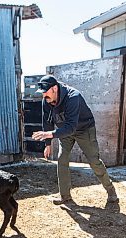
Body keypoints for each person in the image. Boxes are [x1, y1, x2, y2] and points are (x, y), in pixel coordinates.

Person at [31, 75, 118, 205]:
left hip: (84, 129)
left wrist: (50, 134)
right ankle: (65, 196)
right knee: (62, 160)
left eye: (46, 92)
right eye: (42, 93)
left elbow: (71, 127)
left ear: (54, 88)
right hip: (64, 131)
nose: (44, 96)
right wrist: (47, 144)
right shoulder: (47, 100)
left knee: (94, 161)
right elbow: (47, 122)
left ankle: (111, 190)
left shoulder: (73, 97)